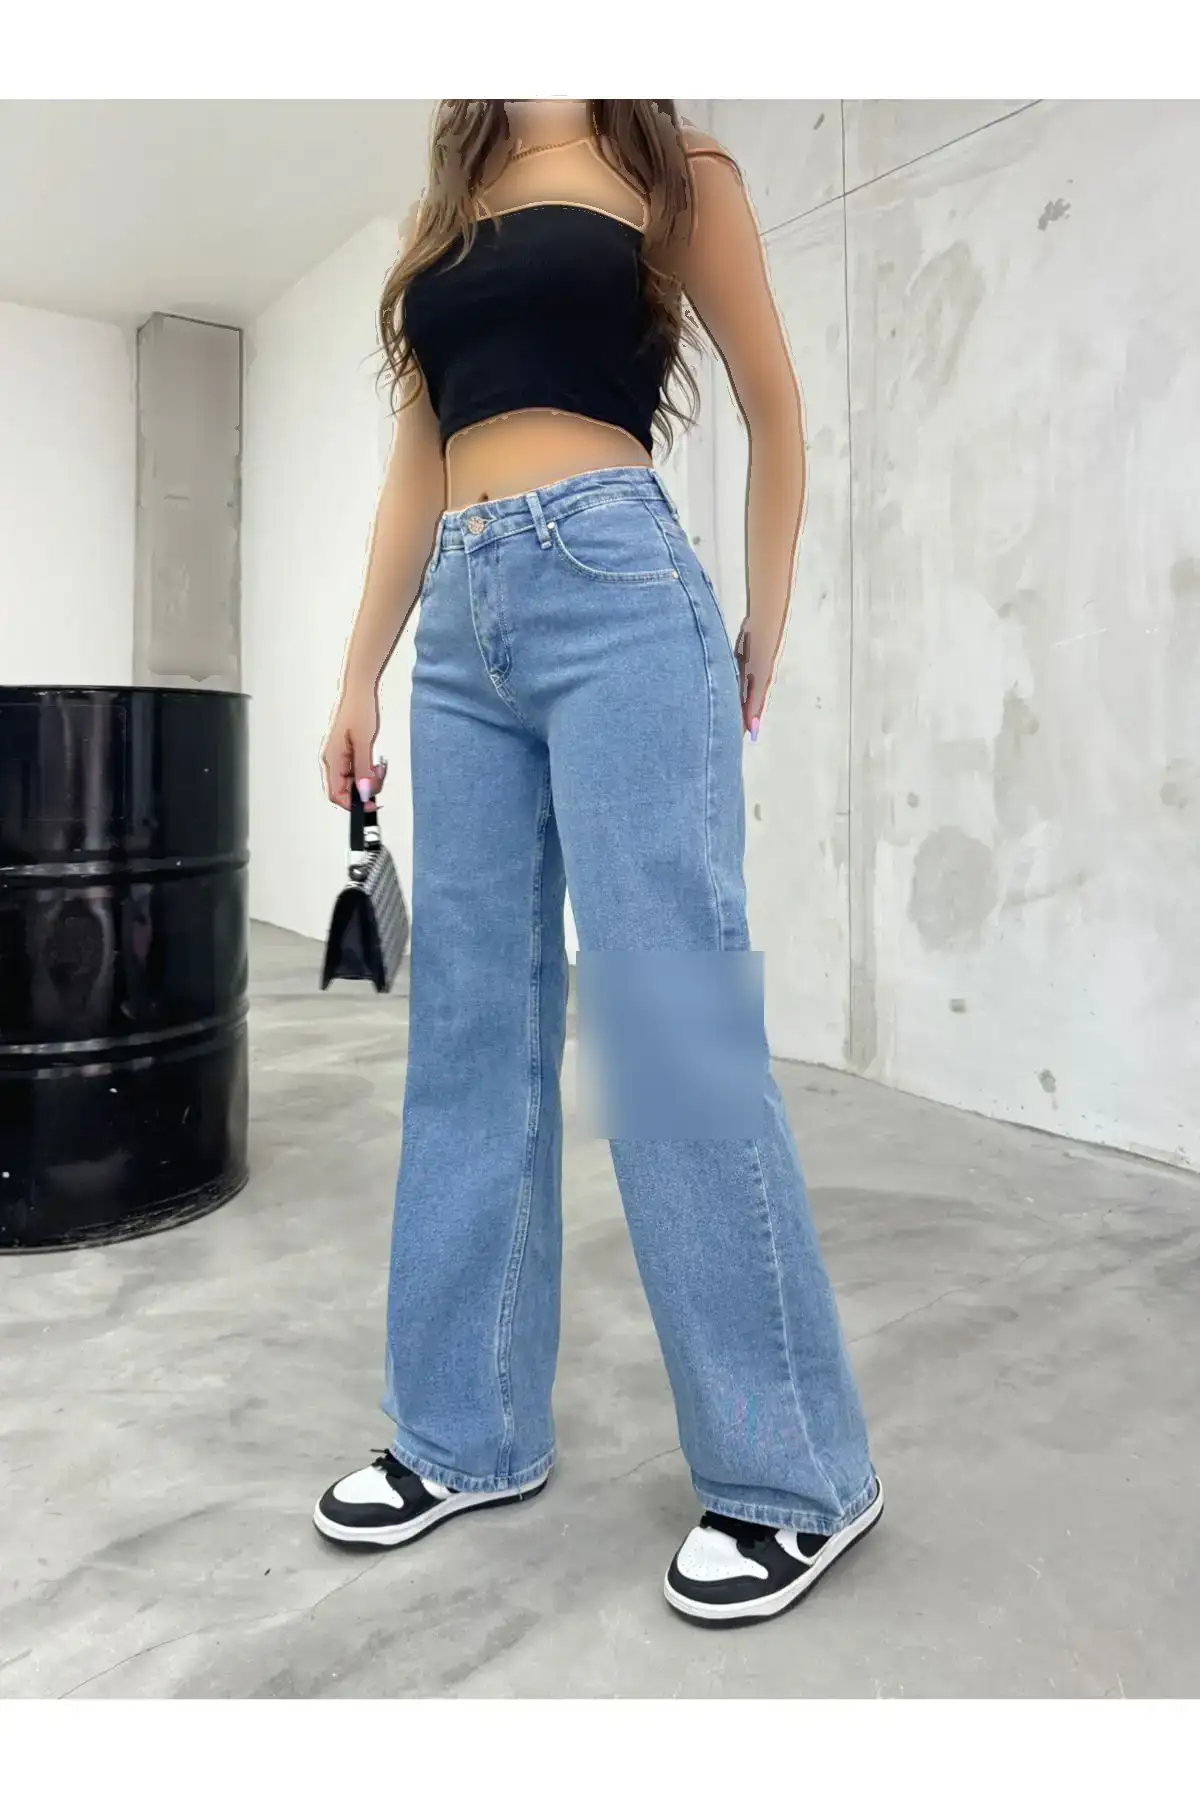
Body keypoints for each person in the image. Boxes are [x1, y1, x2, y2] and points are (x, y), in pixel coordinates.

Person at [314, 97, 881, 1627]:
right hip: (463, 628)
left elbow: (774, 406)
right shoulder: (453, 202)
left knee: (668, 1019)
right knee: (468, 1032)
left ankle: (796, 1474)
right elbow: (419, 457)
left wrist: (765, 614)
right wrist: (363, 667)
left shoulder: (672, 173)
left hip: (619, 588)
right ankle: (464, 1431)